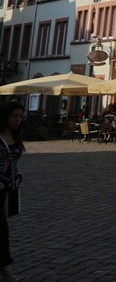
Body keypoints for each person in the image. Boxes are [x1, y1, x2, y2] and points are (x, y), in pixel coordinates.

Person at [0, 102, 25, 282]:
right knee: (1, 233)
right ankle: (9, 276)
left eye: (20, 117)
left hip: (8, 190)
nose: (17, 120)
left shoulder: (15, 137)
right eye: (14, 116)